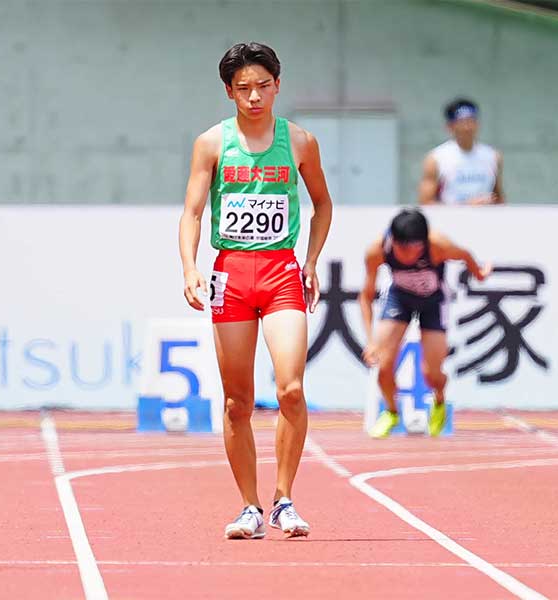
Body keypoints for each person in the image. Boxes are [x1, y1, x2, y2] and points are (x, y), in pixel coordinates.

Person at [178, 42, 333, 539]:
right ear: (229, 91)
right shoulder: (211, 143)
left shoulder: (301, 143)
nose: (253, 97)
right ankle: (249, 506)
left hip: (281, 271)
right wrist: (190, 268)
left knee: (290, 387)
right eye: (243, 89)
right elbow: (193, 212)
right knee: (236, 401)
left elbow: (323, 206)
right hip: (230, 275)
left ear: (278, 86)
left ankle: (284, 499)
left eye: (262, 86)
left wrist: (309, 261)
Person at [359, 209, 491, 438]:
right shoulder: (378, 250)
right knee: (383, 364)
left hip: (433, 303)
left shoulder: (438, 245)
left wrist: (478, 273)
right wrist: (370, 341)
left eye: (412, 250)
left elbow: (465, 254)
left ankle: (439, 401)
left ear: (422, 245)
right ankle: (391, 412)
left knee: (431, 373)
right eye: (401, 249)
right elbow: (365, 296)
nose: (406, 256)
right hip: (399, 300)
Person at [419, 98, 505, 206]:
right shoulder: (436, 158)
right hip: (451, 220)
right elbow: (425, 202)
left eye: (471, 121)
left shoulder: (492, 156)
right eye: (462, 122)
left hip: (485, 220)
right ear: (450, 127)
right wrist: (465, 205)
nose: (467, 127)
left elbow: (499, 199)